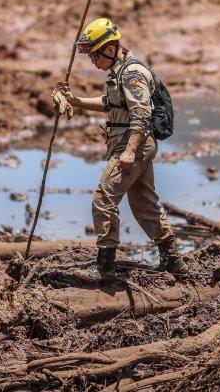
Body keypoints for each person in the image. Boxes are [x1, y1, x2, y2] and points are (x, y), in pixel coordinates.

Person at [55, 17, 186, 276]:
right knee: (143, 203)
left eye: (96, 55)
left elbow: (141, 115)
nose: (94, 62)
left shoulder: (132, 73)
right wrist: (76, 101)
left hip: (133, 145)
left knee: (103, 199)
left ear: (112, 47)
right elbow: (111, 103)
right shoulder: (120, 71)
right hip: (132, 145)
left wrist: (129, 151)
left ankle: (105, 268)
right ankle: (174, 262)